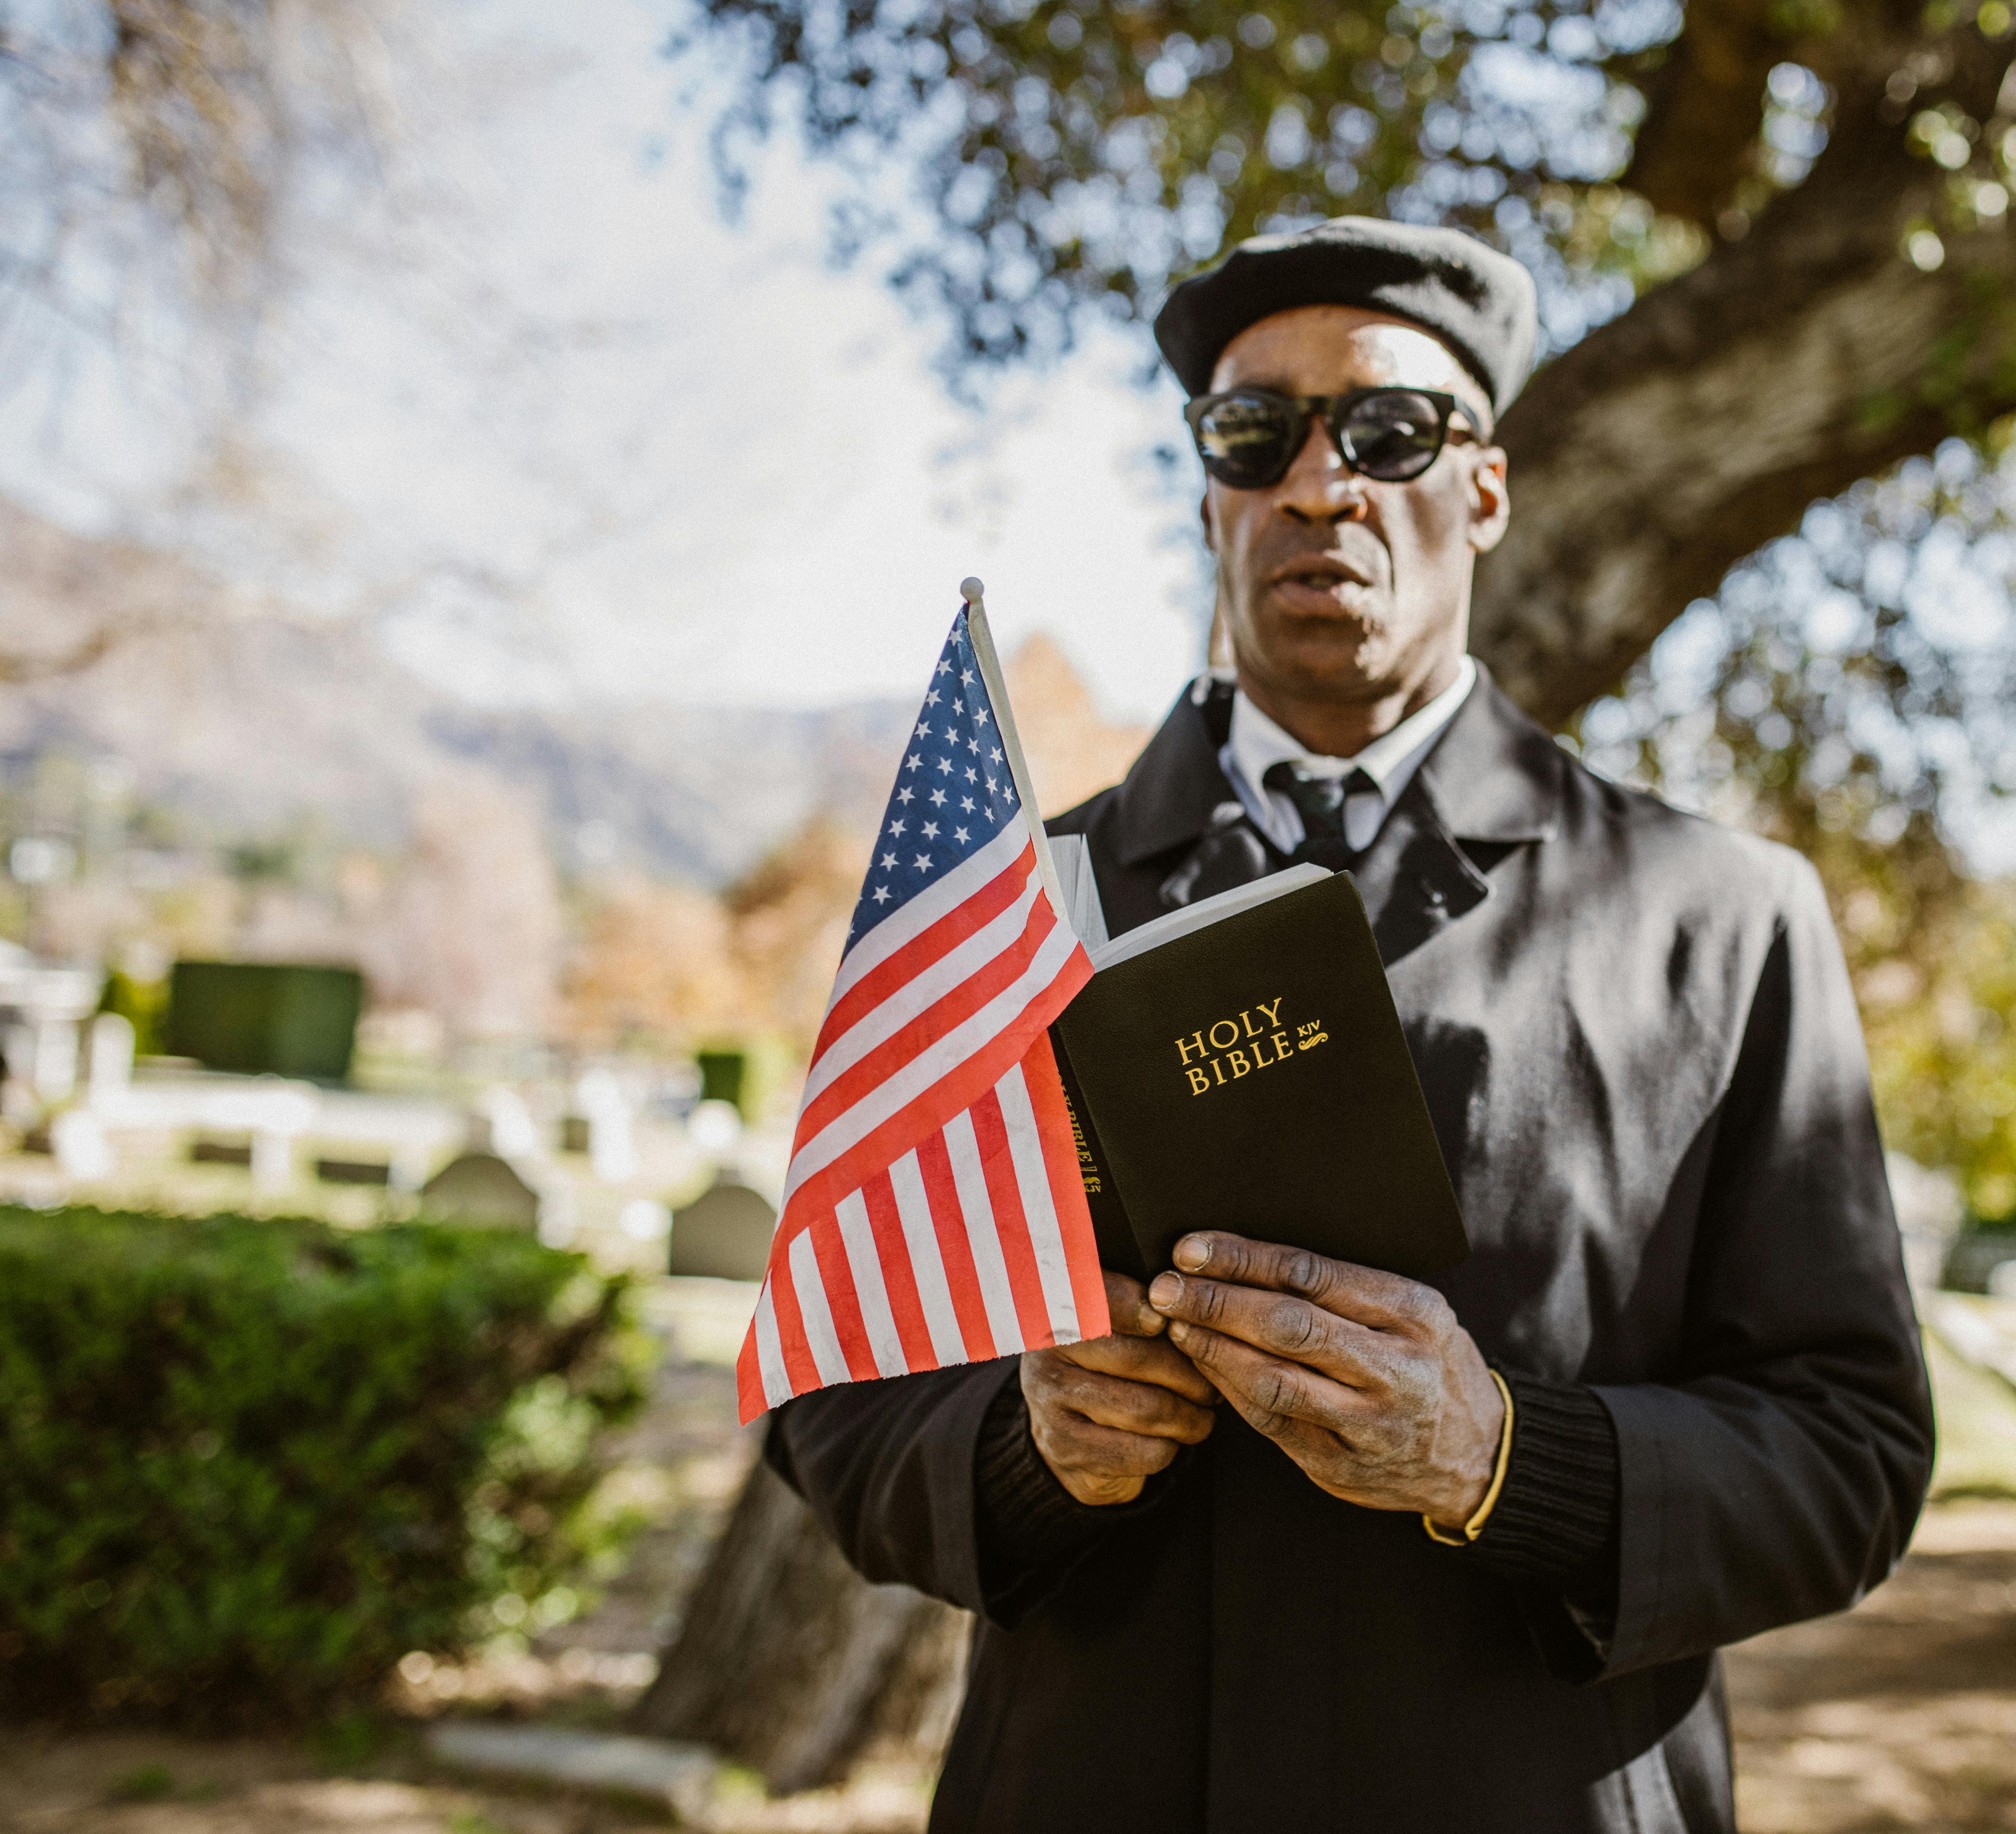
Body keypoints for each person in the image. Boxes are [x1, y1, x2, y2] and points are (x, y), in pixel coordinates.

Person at [765, 216, 1935, 1833]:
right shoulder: (1002, 909)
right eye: (1259, 434)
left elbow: (1852, 1453)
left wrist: (1503, 1455)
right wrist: (1027, 1449)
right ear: (1212, 501)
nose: (1323, 485)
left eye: (1389, 432)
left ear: (1487, 489)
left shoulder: (1723, 918)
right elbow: (831, 1393)